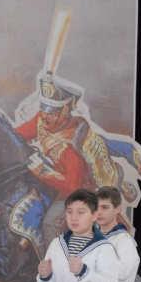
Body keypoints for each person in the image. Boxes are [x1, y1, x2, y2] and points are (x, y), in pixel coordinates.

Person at [16, 75, 96, 245]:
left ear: (65, 111)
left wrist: (43, 172)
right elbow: (18, 136)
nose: (45, 116)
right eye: (43, 109)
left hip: (76, 193)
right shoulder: (42, 119)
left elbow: (72, 186)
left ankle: (53, 261)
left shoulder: (72, 146)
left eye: (52, 112)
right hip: (51, 184)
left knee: (50, 223)